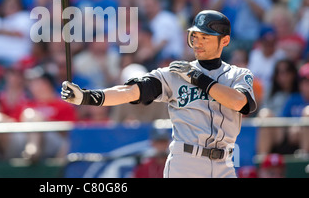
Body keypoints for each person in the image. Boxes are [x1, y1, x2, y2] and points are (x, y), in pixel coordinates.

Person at [62, 10, 257, 178]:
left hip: (225, 163)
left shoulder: (238, 75)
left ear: (225, 40)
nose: (197, 42)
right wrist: (87, 97)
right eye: (195, 36)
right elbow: (130, 91)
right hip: (186, 162)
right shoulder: (176, 74)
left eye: (205, 37)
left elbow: (239, 102)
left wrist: (200, 79)